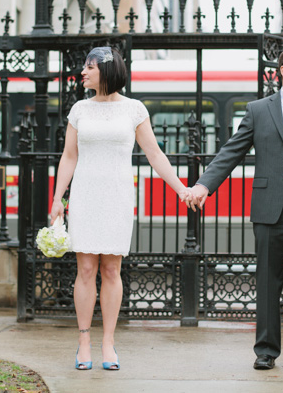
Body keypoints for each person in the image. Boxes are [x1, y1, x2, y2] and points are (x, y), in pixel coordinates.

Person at [185, 46, 283, 371]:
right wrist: (203, 185)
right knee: (268, 281)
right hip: (271, 207)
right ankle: (266, 351)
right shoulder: (259, 110)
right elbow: (233, 150)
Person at [49, 46, 190, 371]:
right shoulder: (79, 109)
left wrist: (181, 188)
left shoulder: (134, 109)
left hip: (117, 195)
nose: (83, 72)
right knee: (85, 270)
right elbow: (69, 156)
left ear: (108, 71)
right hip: (84, 195)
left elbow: (155, 154)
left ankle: (108, 342)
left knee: (111, 270)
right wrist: (58, 198)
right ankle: (84, 340)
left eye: (89, 67)